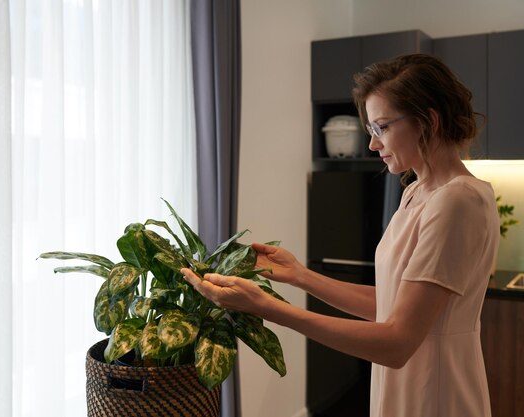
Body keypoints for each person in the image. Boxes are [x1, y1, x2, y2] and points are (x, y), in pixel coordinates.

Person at [181, 54, 499, 417]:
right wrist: (301, 276)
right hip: (408, 383)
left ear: (428, 120)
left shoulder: (459, 199)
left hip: (436, 393)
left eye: (382, 127)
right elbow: (393, 304)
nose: (373, 145)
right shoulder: (416, 191)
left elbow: (398, 341)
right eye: (371, 131)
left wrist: (268, 308)